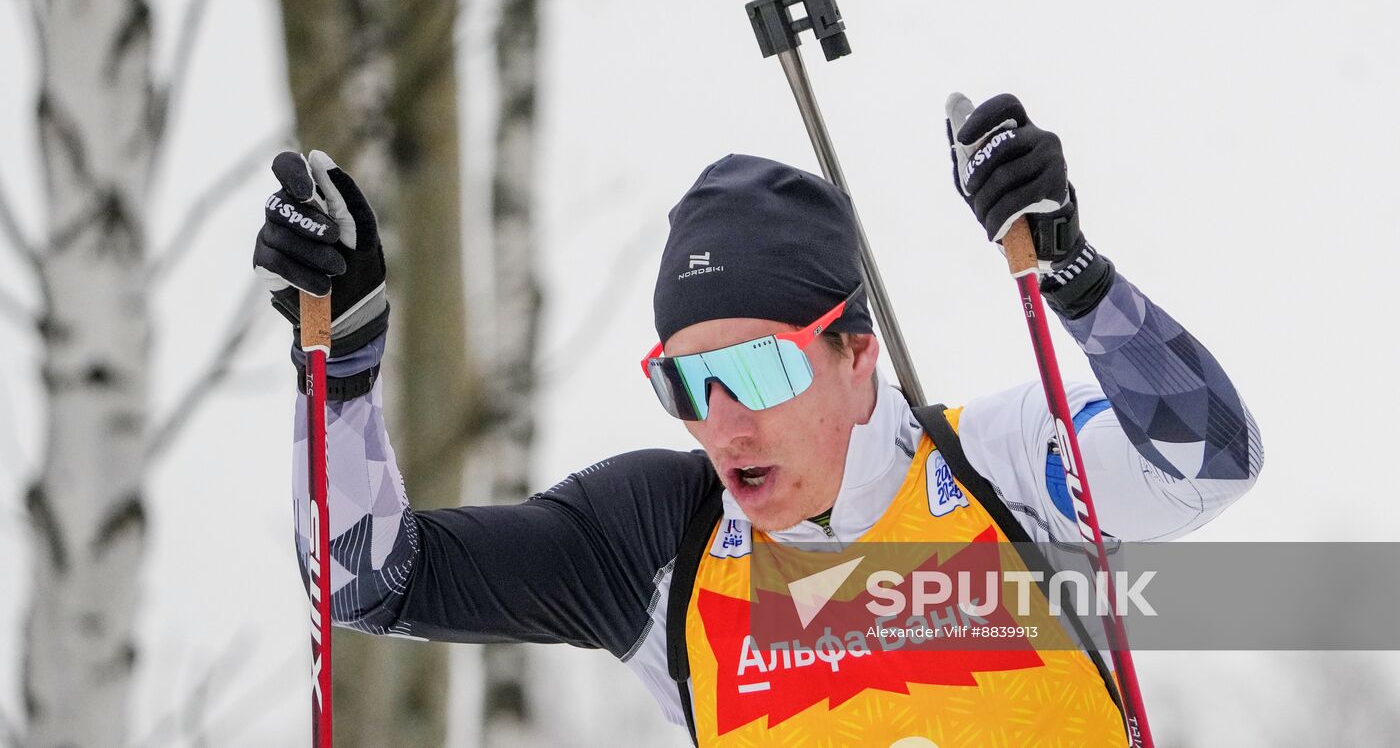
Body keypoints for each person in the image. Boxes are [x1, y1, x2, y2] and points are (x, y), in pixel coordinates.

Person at [253, 93, 1263, 746]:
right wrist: (340, 368)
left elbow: (1209, 460)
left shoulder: (998, 468)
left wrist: (1074, 278)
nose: (721, 421)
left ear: (855, 350)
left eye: (757, 368)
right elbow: (365, 582)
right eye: (686, 383)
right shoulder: (660, 540)